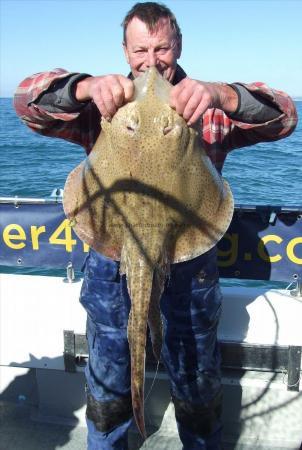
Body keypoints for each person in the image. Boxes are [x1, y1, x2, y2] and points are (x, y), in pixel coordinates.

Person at [14, 2, 297, 449]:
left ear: (178, 45)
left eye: (161, 48)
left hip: (189, 263)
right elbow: (27, 102)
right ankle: (111, 436)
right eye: (140, 49)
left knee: (196, 377)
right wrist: (83, 88)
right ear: (125, 51)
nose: (151, 61)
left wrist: (224, 95)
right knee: (109, 376)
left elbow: (284, 116)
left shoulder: (206, 103)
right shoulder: (106, 103)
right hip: (113, 257)